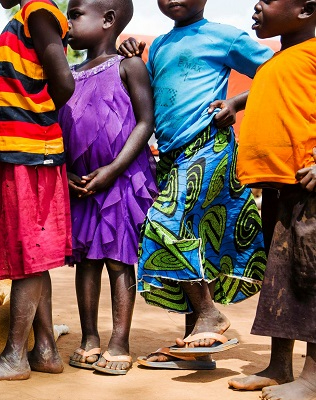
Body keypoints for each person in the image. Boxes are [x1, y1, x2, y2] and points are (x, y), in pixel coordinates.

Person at [118, 0, 272, 368]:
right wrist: (123, 53)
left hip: (209, 143)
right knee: (195, 240)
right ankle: (198, 347)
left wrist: (235, 102)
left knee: (163, 222)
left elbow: (274, 72)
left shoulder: (224, 36)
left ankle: (210, 314)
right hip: (171, 154)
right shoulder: (157, 46)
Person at [0, 0, 74, 382]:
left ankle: (13, 357)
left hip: (29, 153)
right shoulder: (23, 20)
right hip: (15, 153)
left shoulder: (38, 12)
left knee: (30, 255)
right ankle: (45, 349)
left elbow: (64, 82)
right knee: (32, 254)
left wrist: (35, 119)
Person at [60, 0, 157, 375]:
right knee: (86, 261)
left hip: (121, 180)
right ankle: (89, 338)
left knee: (119, 260)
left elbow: (145, 122)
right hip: (82, 184)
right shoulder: (68, 73)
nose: (67, 22)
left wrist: (114, 170)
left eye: (75, 14)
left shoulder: (128, 65)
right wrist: (66, 173)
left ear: (108, 20)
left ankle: (119, 341)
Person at [228, 1, 316, 398]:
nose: (256, 5)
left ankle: (312, 377)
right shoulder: (276, 61)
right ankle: (279, 366)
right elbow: (275, 85)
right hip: (280, 188)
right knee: (280, 278)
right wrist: (233, 103)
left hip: (309, 189)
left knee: (310, 280)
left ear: (306, 10)